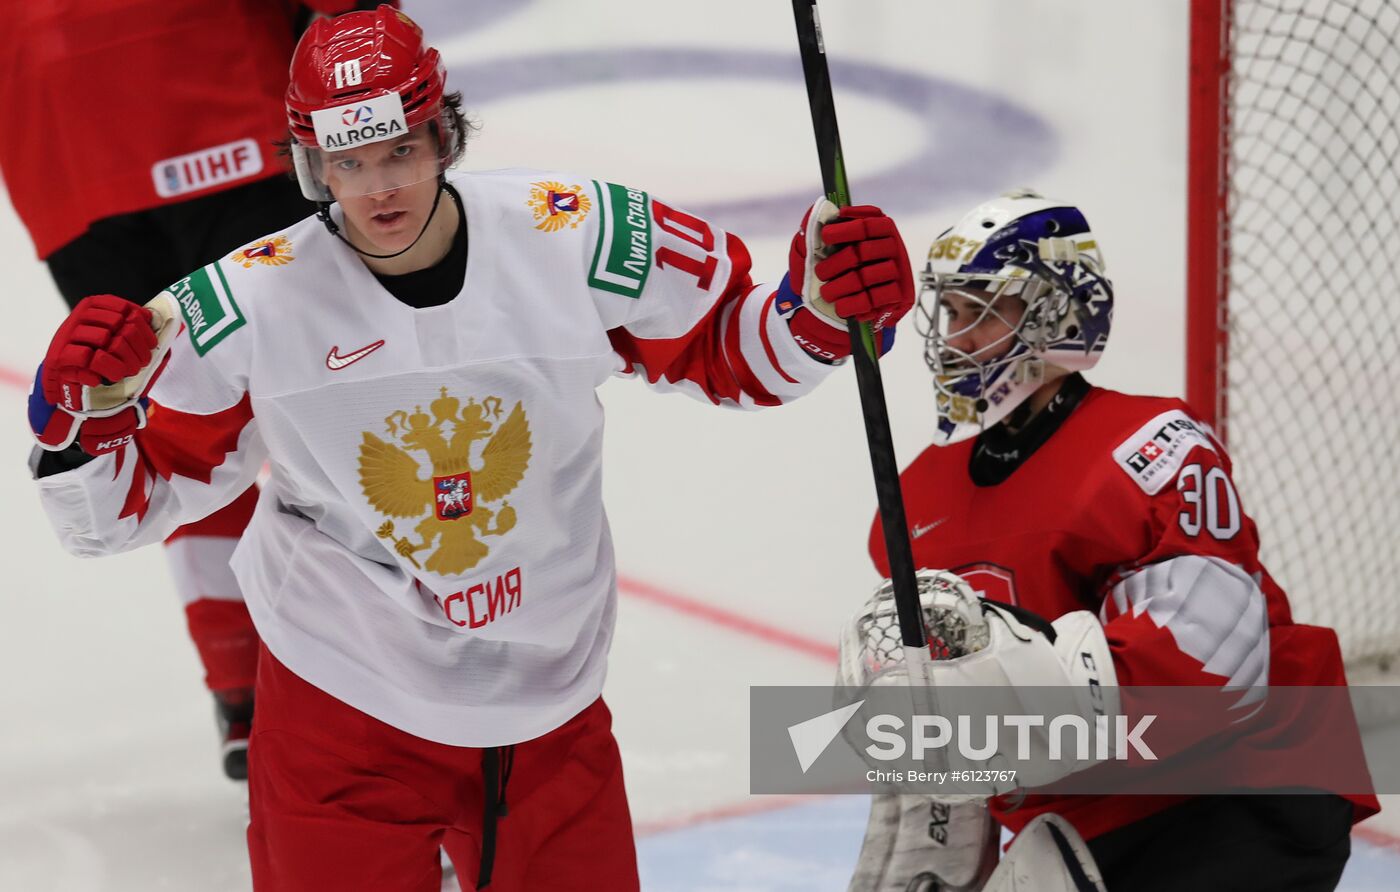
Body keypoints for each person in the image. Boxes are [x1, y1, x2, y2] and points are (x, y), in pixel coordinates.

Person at [26, 7, 914, 890]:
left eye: (401, 153)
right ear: (311, 166)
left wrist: (820, 311)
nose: (379, 191)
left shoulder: (576, 234)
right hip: (341, 711)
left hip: (548, 710)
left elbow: (732, 349)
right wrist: (82, 423)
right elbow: (119, 514)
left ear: (443, 135)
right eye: (350, 163)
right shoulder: (252, 302)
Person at [846, 189, 1379, 891]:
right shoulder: (916, 501)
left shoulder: (1148, 448)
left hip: (1240, 789)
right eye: (950, 310)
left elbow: (1209, 664)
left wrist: (1020, 705)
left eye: (983, 309)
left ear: (1059, 312)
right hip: (1086, 819)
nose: (957, 336)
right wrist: (944, 803)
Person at [0, 0, 386, 779]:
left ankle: (242, 687)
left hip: (65, 138)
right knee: (337, 395)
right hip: (226, 102)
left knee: (169, 406)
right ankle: (381, 688)